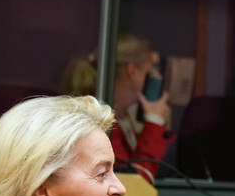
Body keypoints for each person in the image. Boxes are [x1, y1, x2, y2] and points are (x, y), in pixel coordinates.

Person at [62, 34, 174, 181]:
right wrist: (154, 123)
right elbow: (132, 182)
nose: (155, 75)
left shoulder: (119, 115)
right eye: (151, 68)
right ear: (132, 71)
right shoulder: (96, 117)